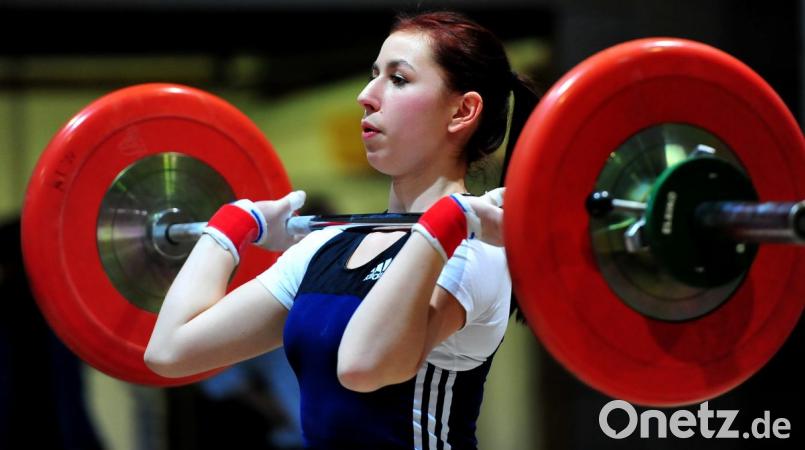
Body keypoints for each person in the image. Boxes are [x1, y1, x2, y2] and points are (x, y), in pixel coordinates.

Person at [145, 10, 539, 449]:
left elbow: (362, 366)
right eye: (373, 75)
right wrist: (230, 229)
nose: (366, 96)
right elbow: (170, 352)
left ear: (462, 111)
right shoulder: (325, 246)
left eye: (398, 79)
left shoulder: (475, 251)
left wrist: (446, 222)